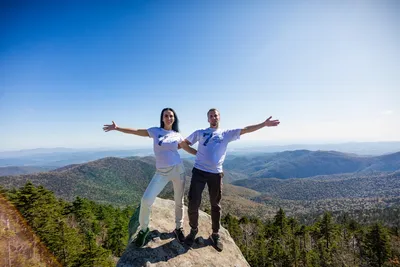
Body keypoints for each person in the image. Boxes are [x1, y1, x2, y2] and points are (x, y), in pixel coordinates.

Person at [183, 108, 280, 251]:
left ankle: (215, 234)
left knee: (215, 205)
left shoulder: (226, 134)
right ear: (208, 119)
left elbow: (246, 129)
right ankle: (193, 230)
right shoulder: (200, 132)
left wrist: (263, 124)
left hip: (215, 174)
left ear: (219, 117)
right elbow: (184, 143)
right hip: (199, 171)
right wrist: (196, 154)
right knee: (193, 202)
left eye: (216, 115)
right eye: (211, 116)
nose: (214, 118)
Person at [103, 108, 197, 247]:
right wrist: (117, 128)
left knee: (179, 201)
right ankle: (144, 230)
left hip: (178, 170)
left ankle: (179, 228)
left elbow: (187, 148)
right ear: (162, 118)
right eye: (166, 115)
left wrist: (201, 156)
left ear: (174, 118)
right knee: (146, 200)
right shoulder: (155, 131)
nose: (169, 118)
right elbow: (136, 131)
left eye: (171, 116)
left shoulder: (177, 135)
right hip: (161, 172)